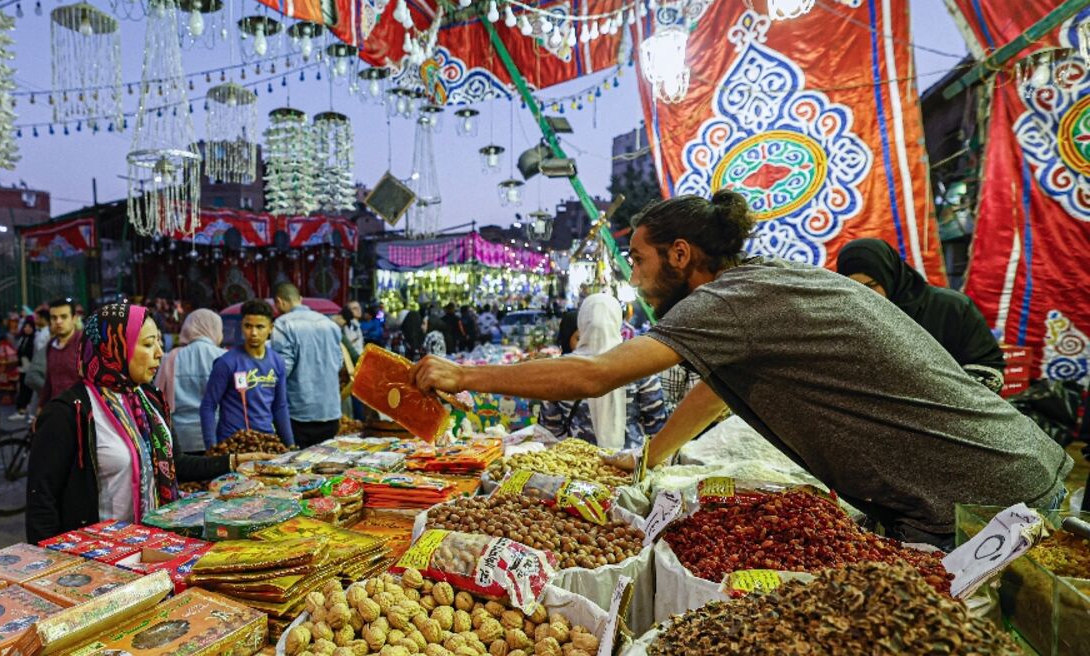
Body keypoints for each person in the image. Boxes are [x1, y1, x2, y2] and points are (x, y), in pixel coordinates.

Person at [411, 191, 1072, 549]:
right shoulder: (760, 286)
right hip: (995, 475)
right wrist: (651, 455)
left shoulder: (727, 299)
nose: (636, 283)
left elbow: (594, 376)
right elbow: (715, 389)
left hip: (983, 496)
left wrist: (461, 377)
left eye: (638, 264)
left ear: (679, 253)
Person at [25, 303, 240, 543]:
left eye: (159, 342)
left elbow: (175, 464)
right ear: (114, 348)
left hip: (155, 544)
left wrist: (235, 462)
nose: (159, 352)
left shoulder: (149, 400)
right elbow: (41, 501)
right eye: (148, 344)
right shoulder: (68, 413)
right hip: (97, 555)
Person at [837, 238, 1007, 393]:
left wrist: (937, 394)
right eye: (854, 287)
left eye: (871, 285)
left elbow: (989, 369)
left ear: (890, 276)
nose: (865, 294)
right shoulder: (849, 319)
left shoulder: (950, 308)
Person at [537, 294, 667, 450]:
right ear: (617, 321)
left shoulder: (560, 371)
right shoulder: (640, 369)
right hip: (630, 464)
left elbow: (551, 431)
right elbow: (657, 425)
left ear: (582, 322)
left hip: (578, 466)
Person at [200, 300, 294, 450]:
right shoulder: (226, 363)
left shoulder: (277, 362)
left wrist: (290, 444)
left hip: (266, 441)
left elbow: (280, 406)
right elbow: (208, 405)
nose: (253, 333)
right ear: (242, 326)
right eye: (248, 326)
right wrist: (212, 447)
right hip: (233, 443)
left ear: (271, 328)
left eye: (260, 327)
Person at [271, 283, 343, 448]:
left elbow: (283, 370)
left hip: (299, 413)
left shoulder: (283, 325)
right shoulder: (329, 324)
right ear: (300, 300)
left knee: (299, 469)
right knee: (326, 467)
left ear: (279, 302)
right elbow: (338, 363)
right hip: (330, 410)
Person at [155, 308, 227, 454]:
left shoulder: (169, 358)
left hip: (181, 438)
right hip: (219, 435)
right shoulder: (225, 357)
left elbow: (157, 397)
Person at [39, 297, 82, 407]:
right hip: (57, 410)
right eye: (54, 318)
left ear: (74, 318)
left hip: (81, 411)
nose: (58, 321)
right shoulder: (51, 345)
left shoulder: (84, 342)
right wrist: (40, 408)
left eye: (63, 317)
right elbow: (49, 380)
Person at [14, 318, 38, 420]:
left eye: (29, 327)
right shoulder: (22, 338)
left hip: (30, 367)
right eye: (25, 326)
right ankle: (22, 409)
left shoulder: (34, 339)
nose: (27, 329)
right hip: (22, 367)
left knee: (28, 388)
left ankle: (25, 409)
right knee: (22, 387)